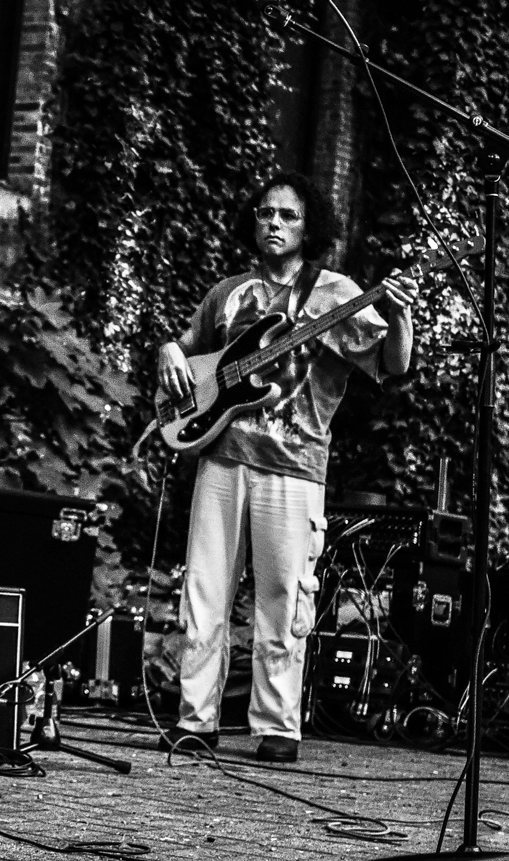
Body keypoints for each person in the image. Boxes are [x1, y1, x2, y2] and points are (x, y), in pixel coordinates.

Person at [156, 171, 417, 763]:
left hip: (295, 465)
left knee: (284, 598)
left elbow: (394, 365)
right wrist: (168, 348)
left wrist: (401, 318)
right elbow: (188, 354)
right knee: (203, 593)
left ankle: (277, 725)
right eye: (265, 212)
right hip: (220, 456)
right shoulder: (228, 293)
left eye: (288, 215)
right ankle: (195, 720)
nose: (273, 223)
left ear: (309, 227)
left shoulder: (334, 293)